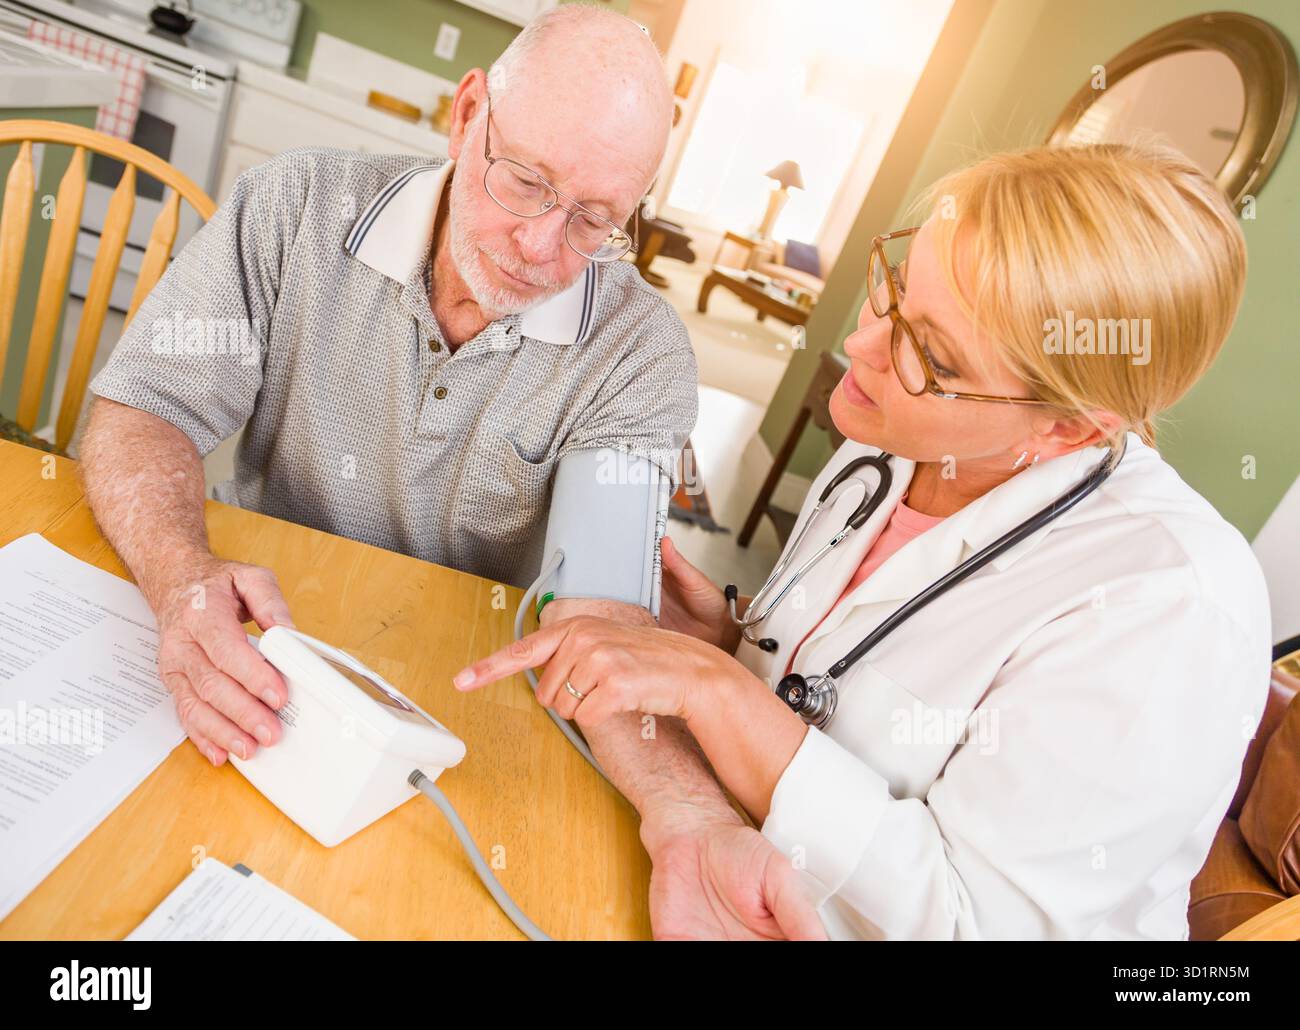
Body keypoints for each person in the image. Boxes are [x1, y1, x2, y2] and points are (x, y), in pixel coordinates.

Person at [457, 142, 1273, 939]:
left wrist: (726, 694)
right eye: (900, 287)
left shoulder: (1173, 604)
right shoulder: (888, 447)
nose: (862, 343)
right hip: (724, 861)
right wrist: (737, 642)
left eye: (932, 353)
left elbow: (973, 921)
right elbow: (847, 684)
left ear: (1069, 428)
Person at [77, 8, 767, 920]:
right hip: (257, 638)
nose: (540, 248)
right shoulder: (295, 205)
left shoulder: (641, 354)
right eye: (526, 181)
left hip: (454, 709)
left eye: (594, 220)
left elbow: (601, 623)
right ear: (467, 112)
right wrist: (179, 580)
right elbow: (143, 407)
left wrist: (691, 818)